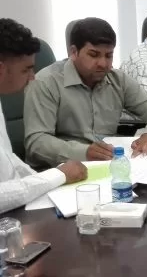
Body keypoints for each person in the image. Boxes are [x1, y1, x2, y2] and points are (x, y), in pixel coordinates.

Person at [24, 17, 147, 168]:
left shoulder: (118, 80)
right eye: (94, 54)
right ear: (73, 52)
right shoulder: (45, 82)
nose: (103, 63)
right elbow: (36, 142)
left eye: (109, 55)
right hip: (61, 169)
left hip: (108, 164)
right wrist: (84, 152)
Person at [0, 19, 87, 214]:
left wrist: (47, 180)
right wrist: (57, 176)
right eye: (26, 69)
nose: (32, 77)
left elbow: (8, 159)